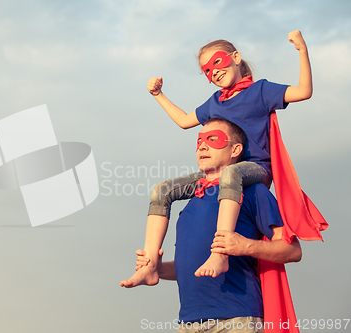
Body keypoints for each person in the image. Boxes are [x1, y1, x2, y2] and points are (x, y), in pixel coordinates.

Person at [120, 30, 311, 288]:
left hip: (255, 168)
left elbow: (303, 91)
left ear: (235, 57)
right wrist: (158, 95)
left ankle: (220, 253)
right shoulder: (215, 102)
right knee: (163, 190)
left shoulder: (260, 91)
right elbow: (184, 121)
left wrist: (301, 49)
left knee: (232, 174)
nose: (214, 72)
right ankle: (151, 266)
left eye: (217, 63)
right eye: (207, 71)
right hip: (221, 172)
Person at [133, 118, 302, 332]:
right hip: (188, 323)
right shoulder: (191, 203)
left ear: (235, 149)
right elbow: (197, 268)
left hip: (237, 320)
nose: (202, 146)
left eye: (213, 139)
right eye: (200, 141)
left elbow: (293, 251)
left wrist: (244, 246)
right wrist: (159, 267)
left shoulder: (253, 193)